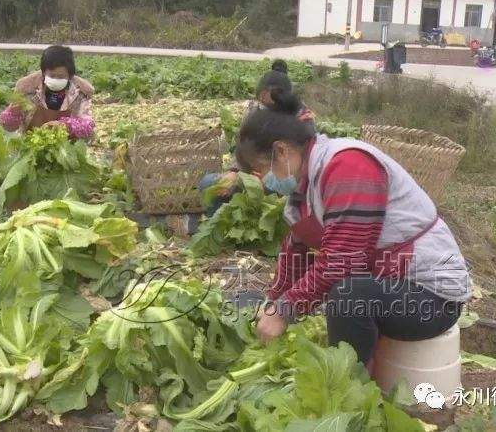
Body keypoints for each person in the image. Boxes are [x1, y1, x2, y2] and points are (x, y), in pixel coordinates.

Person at [236, 90, 471, 366]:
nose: (264, 180)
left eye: (263, 168)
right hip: (389, 283)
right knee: (345, 292)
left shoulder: (348, 165)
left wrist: (284, 311)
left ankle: (349, 388)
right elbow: (295, 250)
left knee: (349, 294)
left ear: (282, 150)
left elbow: (342, 261)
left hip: (431, 297)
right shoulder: (306, 186)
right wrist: (273, 301)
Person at [198, 60, 314, 215]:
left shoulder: (303, 119)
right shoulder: (256, 111)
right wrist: (234, 172)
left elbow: (299, 169)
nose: (264, 103)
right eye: (262, 99)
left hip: (285, 179)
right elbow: (245, 147)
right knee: (210, 184)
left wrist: (266, 180)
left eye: (270, 99)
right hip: (254, 173)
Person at [0, 45, 95, 140]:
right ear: (44, 73)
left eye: (61, 76)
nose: (56, 79)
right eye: (52, 76)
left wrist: (65, 126)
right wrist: (13, 113)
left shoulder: (80, 93)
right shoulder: (27, 91)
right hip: (30, 146)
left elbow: (88, 128)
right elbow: (8, 127)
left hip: (66, 148)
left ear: (69, 76)